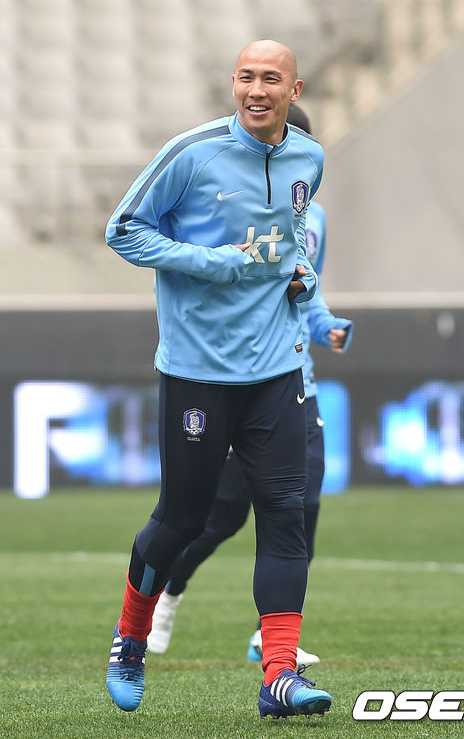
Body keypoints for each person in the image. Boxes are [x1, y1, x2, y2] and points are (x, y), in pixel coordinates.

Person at [105, 40, 333, 719]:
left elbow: (285, 244)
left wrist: (300, 277)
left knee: (287, 513)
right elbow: (123, 230)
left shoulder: (309, 158)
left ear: (295, 90)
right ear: (234, 83)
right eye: (246, 77)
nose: (257, 89)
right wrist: (211, 261)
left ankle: (279, 676)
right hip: (199, 372)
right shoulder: (191, 153)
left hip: (277, 368)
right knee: (182, 519)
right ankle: (131, 639)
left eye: (271, 79)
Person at [147, 104, 352, 669]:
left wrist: (326, 325)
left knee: (301, 505)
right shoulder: (233, 205)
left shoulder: (313, 216)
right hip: (239, 378)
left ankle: (272, 638)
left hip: (295, 377)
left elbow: (305, 287)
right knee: (221, 515)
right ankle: (168, 592)